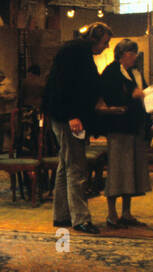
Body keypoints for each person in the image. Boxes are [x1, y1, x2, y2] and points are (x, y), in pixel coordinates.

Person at [42, 22, 112, 234]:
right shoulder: (75, 53)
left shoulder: (79, 52)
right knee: (76, 168)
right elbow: (65, 85)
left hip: (64, 115)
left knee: (66, 165)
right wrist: (72, 115)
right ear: (95, 39)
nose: (106, 47)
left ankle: (62, 214)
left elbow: (83, 86)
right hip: (67, 118)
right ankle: (81, 219)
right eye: (105, 42)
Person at [97, 39, 152, 227]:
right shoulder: (111, 72)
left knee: (131, 171)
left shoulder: (135, 73)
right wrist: (131, 96)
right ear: (123, 54)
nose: (135, 57)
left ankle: (127, 212)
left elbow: (143, 91)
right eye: (132, 53)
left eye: (135, 53)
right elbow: (110, 96)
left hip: (135, 125)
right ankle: (112, 214)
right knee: (118, 170)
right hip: (119, 126)